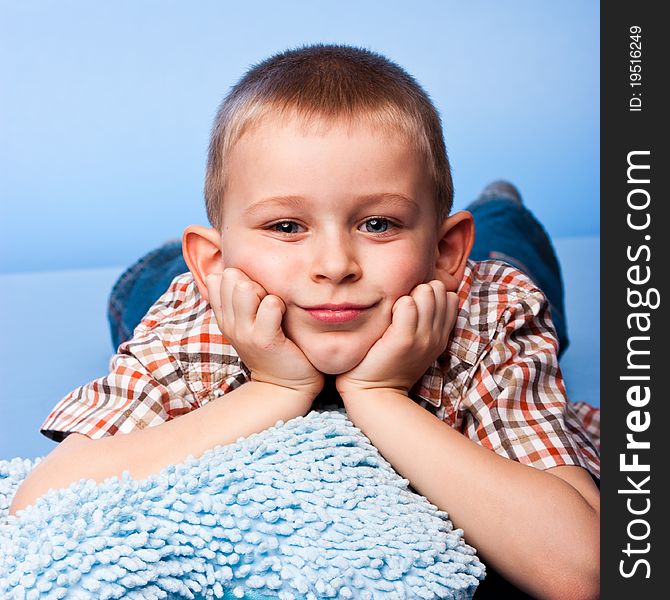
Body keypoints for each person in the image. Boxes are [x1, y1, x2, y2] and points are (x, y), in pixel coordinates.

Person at [10, 44, 600, 599]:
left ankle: (501, 207)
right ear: (215, 263)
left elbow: (579, 572)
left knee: (513, 250)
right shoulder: (196, 312)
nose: (335, 265)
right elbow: (40, 505)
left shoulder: (488, 315)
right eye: (286, 226)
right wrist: (275, 388)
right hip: (208, 286)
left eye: (378, 224)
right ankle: (182, 251)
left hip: (465, 275)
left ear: (446, 252)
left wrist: (379, 396)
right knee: (145, 286)